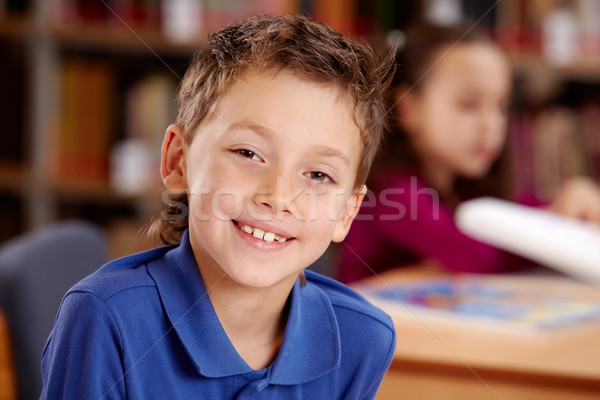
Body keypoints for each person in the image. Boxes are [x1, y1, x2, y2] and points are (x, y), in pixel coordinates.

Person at [40, 15, 397, 399]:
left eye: (318, 175)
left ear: (346, 212)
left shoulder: (363, 340)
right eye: (248, 153)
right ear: (179, 161)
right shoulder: (106, 319)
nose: (278, 197)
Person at [338, 23, 600, 284]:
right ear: (409, 108)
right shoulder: (390, 192)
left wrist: (566, 205)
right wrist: (554, 223)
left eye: (500, 106)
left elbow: (515, 209)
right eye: (469, 105)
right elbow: (475, 256)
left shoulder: (461, 186)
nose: (491, 125)